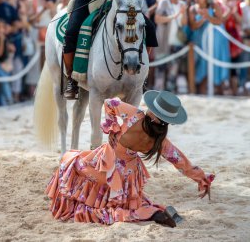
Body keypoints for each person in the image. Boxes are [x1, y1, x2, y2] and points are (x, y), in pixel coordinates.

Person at [46, 91, 214, 226]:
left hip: (108, 166)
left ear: (152, 110)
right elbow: (181, 162)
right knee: (131, 202)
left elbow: (109, 103)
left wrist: (112, 127)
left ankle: (153, 215)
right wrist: (201, 178)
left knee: (70, 160)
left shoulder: (134, 114)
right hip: (128, 178)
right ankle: (154, 213)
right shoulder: (160, 141)